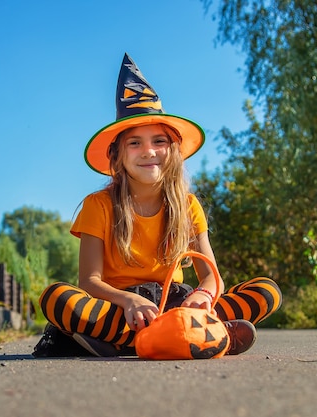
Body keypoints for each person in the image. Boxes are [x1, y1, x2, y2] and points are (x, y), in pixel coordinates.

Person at [33, 53, 282, 357]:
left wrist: (203, 294)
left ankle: (145, 337)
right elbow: (89, 281)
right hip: (121, 308)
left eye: (159, 141)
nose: (148, 151)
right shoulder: (97, 205)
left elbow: (211, 276)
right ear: (118, 156)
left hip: (178, 303)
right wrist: (128, 301)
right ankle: (200, 337)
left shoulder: (188, 206)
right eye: (135, 143)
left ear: (174, 150)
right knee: (56, 298)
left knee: (266, 291)